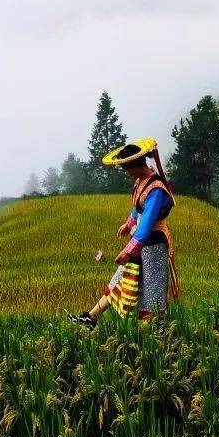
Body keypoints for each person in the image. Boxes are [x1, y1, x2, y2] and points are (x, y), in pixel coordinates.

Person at [69, 138, 180, 329]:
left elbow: (146, 224)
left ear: (135, 165)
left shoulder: (156, 189)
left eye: (125, 168)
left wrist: (128, 251)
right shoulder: (141, 182)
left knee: (151, 291)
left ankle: (153, 337)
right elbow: (138, 208)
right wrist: (128, 223)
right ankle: (91, 317)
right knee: (119, 278)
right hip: (140, 241)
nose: (125, 172)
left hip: (153, 245)